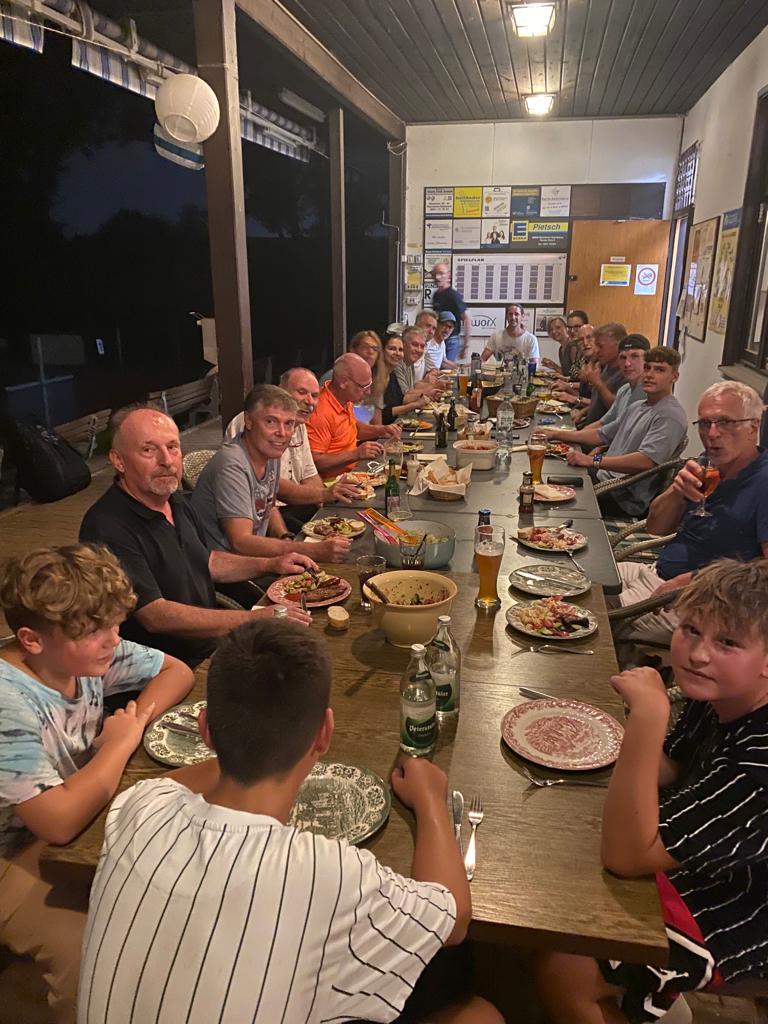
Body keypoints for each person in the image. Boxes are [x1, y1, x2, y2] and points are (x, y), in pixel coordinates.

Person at [78, 619, 502, 1024]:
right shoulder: (330, 873)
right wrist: (430, 800)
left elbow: (169, 783)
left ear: (205, 730)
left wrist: (241, 741)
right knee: (481, 1014)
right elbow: (454, 919)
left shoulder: (137, 807)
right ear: (324, 734)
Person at [536, 560, 768, 1024]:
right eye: (691, 630)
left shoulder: (759, 766)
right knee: (551, 861)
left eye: (727, 642)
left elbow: (627, 856)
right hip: (690, 850)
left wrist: (647, 716)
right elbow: (671, 766)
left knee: (566, 964)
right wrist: (589, 733)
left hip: (733, 909)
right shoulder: (720, 694)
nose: (698, 654)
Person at [0, 543, 194, 1024]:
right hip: (12, 852)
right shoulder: (8, 701)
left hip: (75, 817)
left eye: (114, 624)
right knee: (93, 955)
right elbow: (57, 822)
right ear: (31, 640)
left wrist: (134, 721)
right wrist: (118, 746)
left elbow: (177, 671)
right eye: (94, 631)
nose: (113, 639)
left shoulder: (81, 654)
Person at [80, 404, 312, 667]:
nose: (166, 461)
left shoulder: (175, 500)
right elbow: (155, 615)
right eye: (148, 450)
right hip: (169, 668)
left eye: (172, 447)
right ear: (118, 461)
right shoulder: (106, 526)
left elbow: (207, 561)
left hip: (212, 644)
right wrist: (253, 618)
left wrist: (272, 564)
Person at [613, 380, 768, 646]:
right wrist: (676, 491)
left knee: (585, 614)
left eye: (725, 422)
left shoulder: (763, 481)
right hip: (655, 571)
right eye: (705, 423)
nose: (712, 433)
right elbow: (655, 528)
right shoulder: (706, 464)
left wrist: (696, 580)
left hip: (702, 602)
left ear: (753, 426)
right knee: (573, 579)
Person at [192, 383, 353, 564]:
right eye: (271, 421)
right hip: (229, 568)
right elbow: (241, 542)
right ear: (248, 421)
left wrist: (285, 535)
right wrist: (312, 550)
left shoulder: (268, 453)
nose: (282, 433)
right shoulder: (232, 465)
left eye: (289, 423)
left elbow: (277, 495)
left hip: (254, 560)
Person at [565, 346, 687, 518]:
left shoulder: (670, 415)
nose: (650, 375)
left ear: (674, 377)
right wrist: (553, 434)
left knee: (556, 492)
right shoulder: (637, 406)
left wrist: (594, 460)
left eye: (659, 370)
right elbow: (601, 434)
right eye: (647, 368)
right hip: (602, 478)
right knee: (556, 473)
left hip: (621, 495)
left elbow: (645, 461)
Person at [539, 334, 650, 447]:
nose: (627, 363)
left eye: (635, 356)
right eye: (623, 357)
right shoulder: (624, 389)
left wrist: (556, 435)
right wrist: (566, 434)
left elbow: (606, 434)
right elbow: (602, 424)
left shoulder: (646, 394)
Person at [306, 352, 400, 479]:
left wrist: (381, 430)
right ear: (343, 382)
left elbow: (353, 428)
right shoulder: (320, 413)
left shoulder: (344, 398)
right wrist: (356, 454)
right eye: (364, 386)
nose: (368, 392)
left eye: (370, 385)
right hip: (333, 483)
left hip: (355, 471)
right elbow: (314, 462)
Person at [375, 335, 442, 425]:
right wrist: (415, 405)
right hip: (384, 430)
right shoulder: (375, 377)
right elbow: (383, 414)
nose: (397, 353)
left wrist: (427, 394)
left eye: (400, 350)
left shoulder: (391, 374)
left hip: (396, 426)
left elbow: (401, 399)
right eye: (392, 349)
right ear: (382, 351)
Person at [572, 321, 627, 427]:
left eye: (600, 346)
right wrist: (584, 412)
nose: (596, 350)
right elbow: (598, 402)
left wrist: (597, 383)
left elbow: (616, 409)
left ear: (618, 345)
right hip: (589, 426)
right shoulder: (605, 366)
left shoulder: (625, 373)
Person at [431, 261, 470, 361]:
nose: (437, 277)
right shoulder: (436, 296)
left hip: (451, 341)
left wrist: (465, 346)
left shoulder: (454, 296)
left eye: (441, 273)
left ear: (448, 275)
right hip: (438, 339)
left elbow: (467, 319)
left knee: (447, 368)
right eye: (435, 274)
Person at [393, 326, 444, 396]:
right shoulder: (397, 364)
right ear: (403, 344)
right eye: (415, 345)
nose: (419, 350)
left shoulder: (410, 362)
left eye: (422, 346)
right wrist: (434, 386)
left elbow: (412, 389)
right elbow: (405, 396)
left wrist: (433, 383)